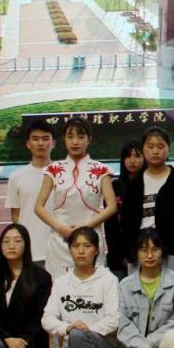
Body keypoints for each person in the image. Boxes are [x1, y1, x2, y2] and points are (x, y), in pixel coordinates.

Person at [41, 227, 121, 348]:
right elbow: (47, 318)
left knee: (78, 334)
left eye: (87, 246)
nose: (81, 251)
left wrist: (85, 332)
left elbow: (114, 318)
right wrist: (67, 328)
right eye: (76, 246)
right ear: (70, 250)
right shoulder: (61, 282)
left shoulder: (108, 279)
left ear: (97, 250)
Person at [34, 117, 117, 279]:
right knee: (59, 289)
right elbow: (38, 207)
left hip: (91, 242)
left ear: (89, 139)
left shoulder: (101, 170)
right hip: (60, 243)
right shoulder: (53, 169)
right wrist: (61, 228)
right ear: (64, 139)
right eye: (70, 136)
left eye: (80, 136)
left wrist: (84, 228)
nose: (75, 142)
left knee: (93, 288)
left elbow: (112, 207)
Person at [120, 126, 174, 277]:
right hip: (140, 251)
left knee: (172, 291)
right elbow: (126, 223)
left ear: (168, 149)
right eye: (150, 146)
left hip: (173, 252)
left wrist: (173, 239)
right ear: (143, 149)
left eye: (160, 146)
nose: (155, 151)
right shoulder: (134, 185)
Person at [4, 120, 55, 271]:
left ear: (53, 143)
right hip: (30, 251)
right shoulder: (16, 177)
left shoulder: (63, 175)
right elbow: (15, 216)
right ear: (28, 143)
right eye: (35, 139)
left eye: (45, 139)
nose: (40, 143)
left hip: (59, 250)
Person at [104, 140, 144, 279]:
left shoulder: (149, 184)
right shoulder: (114, 187)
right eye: (128, 156)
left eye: (137, 156)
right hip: (117, 256)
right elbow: (109, 225)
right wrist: (120, 255)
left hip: (145, 253)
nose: (132, 161)